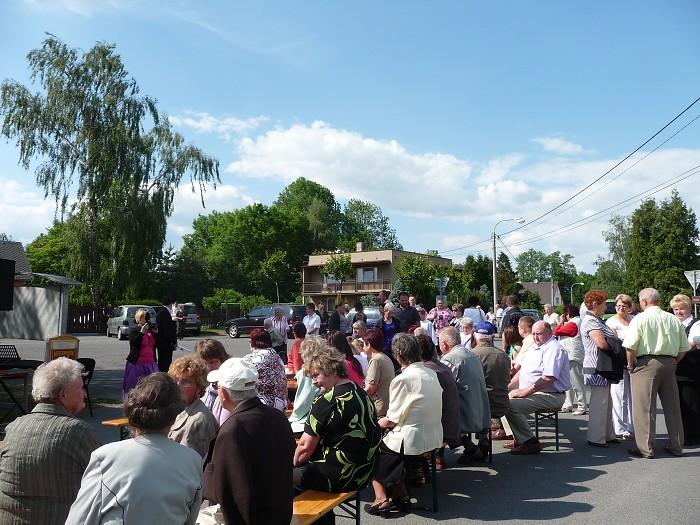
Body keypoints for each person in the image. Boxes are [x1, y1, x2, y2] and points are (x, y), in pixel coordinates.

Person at [66, 373, 202, 525]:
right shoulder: (192, 460)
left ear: (132, 413)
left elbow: (80, 519)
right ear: (173, 418)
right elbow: (190, 518)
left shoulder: (105, 457)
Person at [0, 358, 100, 525]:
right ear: (63, 395)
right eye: (81, 388)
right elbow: (105, 486)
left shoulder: (13, 428)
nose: (84, 393)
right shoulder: (80, 433)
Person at [203, 358, 295, 525]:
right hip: (280, 515)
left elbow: (234, 494)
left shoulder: (233, 430)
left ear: (224, 394)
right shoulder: (278, 417)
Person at [293, 343, 381, 508]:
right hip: (366, 472)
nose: (314, 382)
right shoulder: (360, 391)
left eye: (316, 375)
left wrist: (290, 465)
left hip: (341, 476)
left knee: (281, 478)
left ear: (332, 370)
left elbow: (305, 448)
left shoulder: (326, 400)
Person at [367, 333, 443, 516]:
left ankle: (380, 497)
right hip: (433, 436)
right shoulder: (431, 373)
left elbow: (391, 419)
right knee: (390, 448)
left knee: (370, 449)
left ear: (398, 357)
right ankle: (400, 494)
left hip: (412, 440)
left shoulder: (403, 379)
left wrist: (373, 424)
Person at [623, 288, 689, 459]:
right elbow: (683, 349)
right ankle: (676, 446)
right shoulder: (673, 319)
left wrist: (631, 367)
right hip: (670, 362)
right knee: (673, 407)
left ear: (644, 302)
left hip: (646, 363)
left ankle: (646, 448)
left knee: (644, 408)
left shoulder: (640, 319)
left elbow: (630, 347)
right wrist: (673, 362)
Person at [503, 321, 570, 455]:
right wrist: (507, 387)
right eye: (533, 334)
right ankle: (519, 436)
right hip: (537, 392)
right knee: (502, 399)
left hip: (552, 395)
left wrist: (524, 392)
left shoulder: (554, 349)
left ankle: (529, 442)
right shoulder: (535, 347)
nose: (535, 337)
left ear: (549, 333)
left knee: (510, 405)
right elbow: (523, 371)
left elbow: (548, 378)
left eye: (538, 334)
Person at [439, 326, 492, 463]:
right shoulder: (472, 354)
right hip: (481, 409)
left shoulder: (449, 359)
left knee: (438, 411)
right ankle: (471, 447)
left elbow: (442, 387)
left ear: (444, 344)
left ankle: (437, 458)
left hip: (466, 412)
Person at [416, 332, 460, 470]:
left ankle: (417, 469)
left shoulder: (426, 372)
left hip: (444, 430)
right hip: (453, 425)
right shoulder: (441, 366)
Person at [581, 290, 618, 447]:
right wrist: (617, 345)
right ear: (595, 304)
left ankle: (608, 434)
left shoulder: (597, 320)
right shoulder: (591, 322)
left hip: (601, 366)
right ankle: (596, 437)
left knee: (606, 402)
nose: (605, 307)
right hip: (597, 367)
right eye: (603, 304)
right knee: (599, 403)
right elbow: (601, 343)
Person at [167, 355, 218, 458]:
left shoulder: (198, 421)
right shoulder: (179, 408)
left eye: (186, 382)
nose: (178, 386)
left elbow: (197, 463)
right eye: (176, 381)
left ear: (199, 388)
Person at [470, 321, 511, 441]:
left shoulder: (471, 356)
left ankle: (471, 445)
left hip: (479, 408)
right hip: (501, 403)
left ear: (475, 336)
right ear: (492, 336)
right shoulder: (503, 356)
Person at [670, 293, 700, 446]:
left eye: (682, 309)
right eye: (676, 309)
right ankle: (683, 433)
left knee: (691, 402)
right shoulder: (673, 323)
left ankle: (693, 436)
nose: (679, 312)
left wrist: (674, 351)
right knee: (680, 404)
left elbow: (692, 344)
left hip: (691, 370)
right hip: (677, 369)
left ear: (689, 308)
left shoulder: (696, 324)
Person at [605, 294, 636, 438]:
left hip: (635, 362)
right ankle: (620, 429)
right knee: (619, 396)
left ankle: (632, 427)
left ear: (630, 308)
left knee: (633, 396)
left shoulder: (635, 321)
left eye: (624, 306)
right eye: (618, 306)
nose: (620, 308)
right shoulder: (611, 322)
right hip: (618, 362)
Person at [244, 328, 288, 411]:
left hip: (261, 408)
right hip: (280, 405)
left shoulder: (249, 360)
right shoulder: (277, 357)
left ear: (251, 342)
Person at [555, 304, 588, 416]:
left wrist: (560, 322)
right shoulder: (576, 321)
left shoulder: (574, 323)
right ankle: (568, 404)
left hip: (573, 356)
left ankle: (582, 405)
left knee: (577, 383)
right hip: (570, 356)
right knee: (569, 383)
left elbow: (556, 331)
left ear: (567, 314)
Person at [195, 338, 232, 426]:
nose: (208, 367)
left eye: (212, 362)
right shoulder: (201, 384)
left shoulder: (230, 388)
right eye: (204, 363)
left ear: (223, 360)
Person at [123, 308, 159, 398]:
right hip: (137, 364)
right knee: (135, 386)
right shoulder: (134, 330)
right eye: (142, 318)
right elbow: (134, 342)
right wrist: (142, 332)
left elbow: (157, 344)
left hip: (150, 363)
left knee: (153, 386)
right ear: (138, 319)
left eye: (146, 317)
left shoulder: (150, 331)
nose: (144, 320)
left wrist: (156, 333)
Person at [289, 338, 322, 435]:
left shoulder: (306, 371)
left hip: (312, 419)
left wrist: (293, 417)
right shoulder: (327, 367)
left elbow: (304, 401)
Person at [363, 327, 396, 417]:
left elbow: (370, 388)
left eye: (364, 344)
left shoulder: (375, 360)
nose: (363, 347)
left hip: (378, 409)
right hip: (388, 406)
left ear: (368, 344)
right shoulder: (386, 358)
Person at [156, 295, 178, 372]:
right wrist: (173, 341)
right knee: (165, 363)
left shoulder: (160, 311)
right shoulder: (165, 312)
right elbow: (167, 329)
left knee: (162, 361)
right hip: (165, 343)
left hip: (161, 342)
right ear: (170, 304)